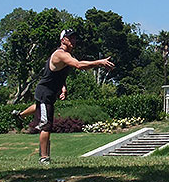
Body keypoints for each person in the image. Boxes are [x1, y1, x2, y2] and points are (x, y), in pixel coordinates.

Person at [31, 28, 115, 164]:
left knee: (40, 110)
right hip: (45, 93)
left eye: (75, 38)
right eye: (70, 38)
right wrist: (99, 62)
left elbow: (57, 73)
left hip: (50, 93)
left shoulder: (66, 56)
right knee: (46, 125)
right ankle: (44, 158)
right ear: (63, 40)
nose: (73, 41)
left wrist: (63, 87)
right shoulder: (60, 54)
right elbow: (79, 65)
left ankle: (20, 115)